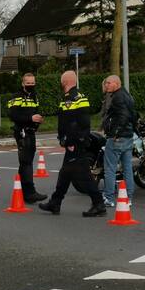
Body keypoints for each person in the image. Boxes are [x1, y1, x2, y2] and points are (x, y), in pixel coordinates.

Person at [39, 71, 106, 217]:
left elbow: (75, 123)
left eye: (62, 80)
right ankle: (55, 203)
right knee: (65, 173)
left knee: (85, 176)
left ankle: (98, 204)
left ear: (66, 82)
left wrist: (70, 141)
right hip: (76, 142)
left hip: (75, 143)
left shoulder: (72, 98)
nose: (60, 82)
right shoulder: (78, 96)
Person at [7, 72, 46, 203]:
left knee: (25, 163)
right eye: (28, 83)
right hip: (22, 132)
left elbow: (36, 111)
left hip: (31, 132)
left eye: (32, 83)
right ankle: (30, 193)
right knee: (26, 162)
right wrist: (30, 118)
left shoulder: (35, 96)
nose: (31, 85)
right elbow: (13, 116)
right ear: (23, 83)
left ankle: (23, 190)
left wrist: (38, 120)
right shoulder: (16, 97)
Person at [100, 74, 135, 207]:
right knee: (127, 169)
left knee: (109, 168)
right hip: (128, 136)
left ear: (116, 83)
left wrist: (115, 133)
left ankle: (109, 197)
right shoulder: (127, 95)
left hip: (117, 138)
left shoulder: (117, 97)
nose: (106, 85)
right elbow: (132, 115)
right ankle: (128, 197)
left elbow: (123, 116)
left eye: (109, 83)